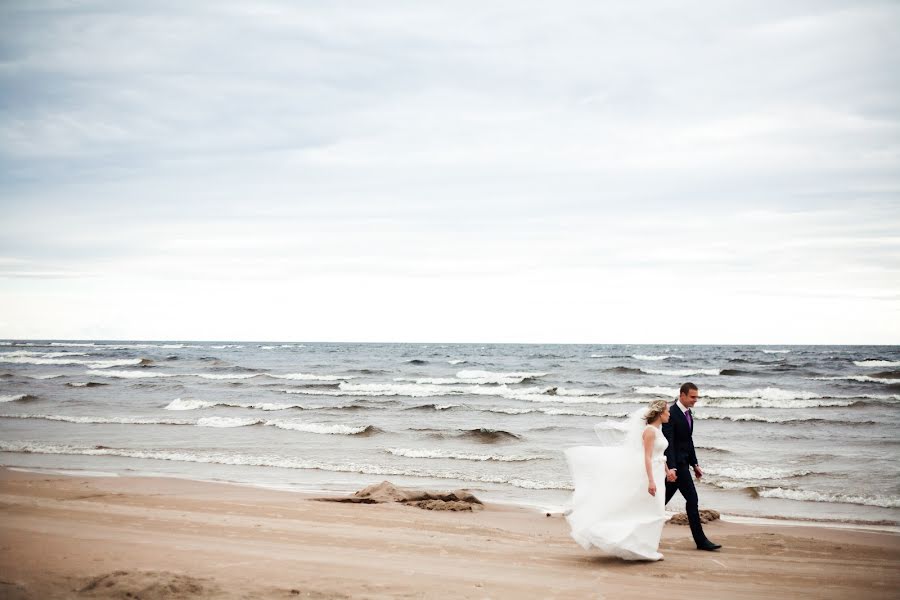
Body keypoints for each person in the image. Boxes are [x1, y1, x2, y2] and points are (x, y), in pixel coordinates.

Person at [564, 399, 678, 561]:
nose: (669, 414)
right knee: (653, 511)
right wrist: (651, 481)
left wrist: (667, 471)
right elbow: (646, 457)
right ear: (660, 413)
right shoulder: (650, 431)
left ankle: (646, 548)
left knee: (655, 511)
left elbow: (659, 455)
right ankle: (641, 548)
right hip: (650, 475)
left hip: (659, 473)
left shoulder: (658, 430)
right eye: (667, 411)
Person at [662, 382, 722, 551]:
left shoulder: (688, 413)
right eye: (692, 397)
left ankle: (642, 531)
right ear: (682, 395)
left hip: (684, 463)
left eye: (697, 396)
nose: (696, 400)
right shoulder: (671, 414)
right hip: (677, 467)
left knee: (660, 502)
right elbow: (669, 443)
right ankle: (701, 541)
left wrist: (695, 464)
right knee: (692, 500)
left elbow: (688, 440)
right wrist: (671, 468)